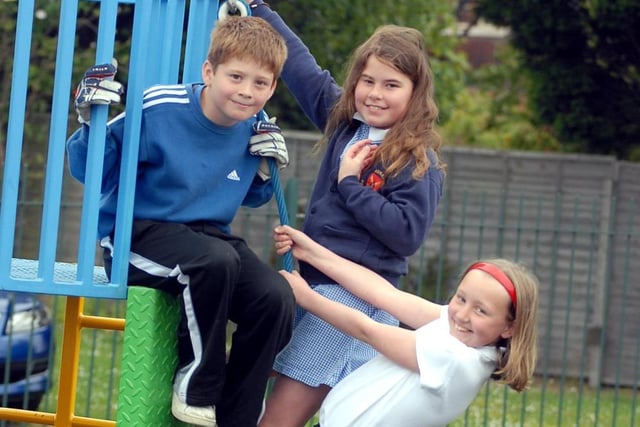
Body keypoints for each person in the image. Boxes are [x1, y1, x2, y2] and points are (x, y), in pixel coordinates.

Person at [66, 16, 295, 427]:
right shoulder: (161, 108)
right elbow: (91, 170)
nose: (246, 91)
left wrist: (264, 170)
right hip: (137, 233)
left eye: (260, 83)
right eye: (236, 77)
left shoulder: (253, 129)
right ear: (209, 71)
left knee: (274, 296)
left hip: (206, 237)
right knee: (213, 262)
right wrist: (89, 121)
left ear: (273, 87)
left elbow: (252, 196)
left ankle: (238, 415)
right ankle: (196, 388)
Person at [247, 1, 447, 425]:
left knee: (278, 419)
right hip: (313, 283)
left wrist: (350, 185)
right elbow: (303, 70)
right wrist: (257, 9)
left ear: (414, 94)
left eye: (391, 85)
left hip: (355, 299)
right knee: (246, 385)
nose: (375, 93)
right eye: (367, 80)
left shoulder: (415, 158)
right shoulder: (347, 124)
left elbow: (406, 233)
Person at [273, 224, 540, 427]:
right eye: (461, 298)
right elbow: (385, 294)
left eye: (481, 310)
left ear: (509, 328)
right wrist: (312, 252)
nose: (462, 314)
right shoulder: (459, 333)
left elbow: (368, 330)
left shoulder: (456, 357)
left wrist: (307, 298)